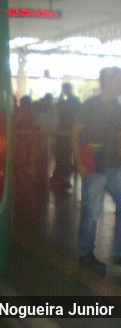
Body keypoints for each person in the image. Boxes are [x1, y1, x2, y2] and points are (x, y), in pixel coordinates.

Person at [71, 67, 121, 273]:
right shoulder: (89, 105)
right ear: (107, 83)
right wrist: (79, 164)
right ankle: (85, 253)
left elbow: (118, 134)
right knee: (92, 212)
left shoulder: (116, 106)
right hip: (94, 166)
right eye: (117, 81)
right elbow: (74, 134)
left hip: (112, 166)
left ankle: (118, 249)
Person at [51, 82, 81, 191]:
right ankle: (63, 177)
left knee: (63, 155)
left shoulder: (66, 102)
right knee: (64, 155)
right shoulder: (75, 102)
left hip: (65, 132)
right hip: (67, 131)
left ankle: (63, 177)